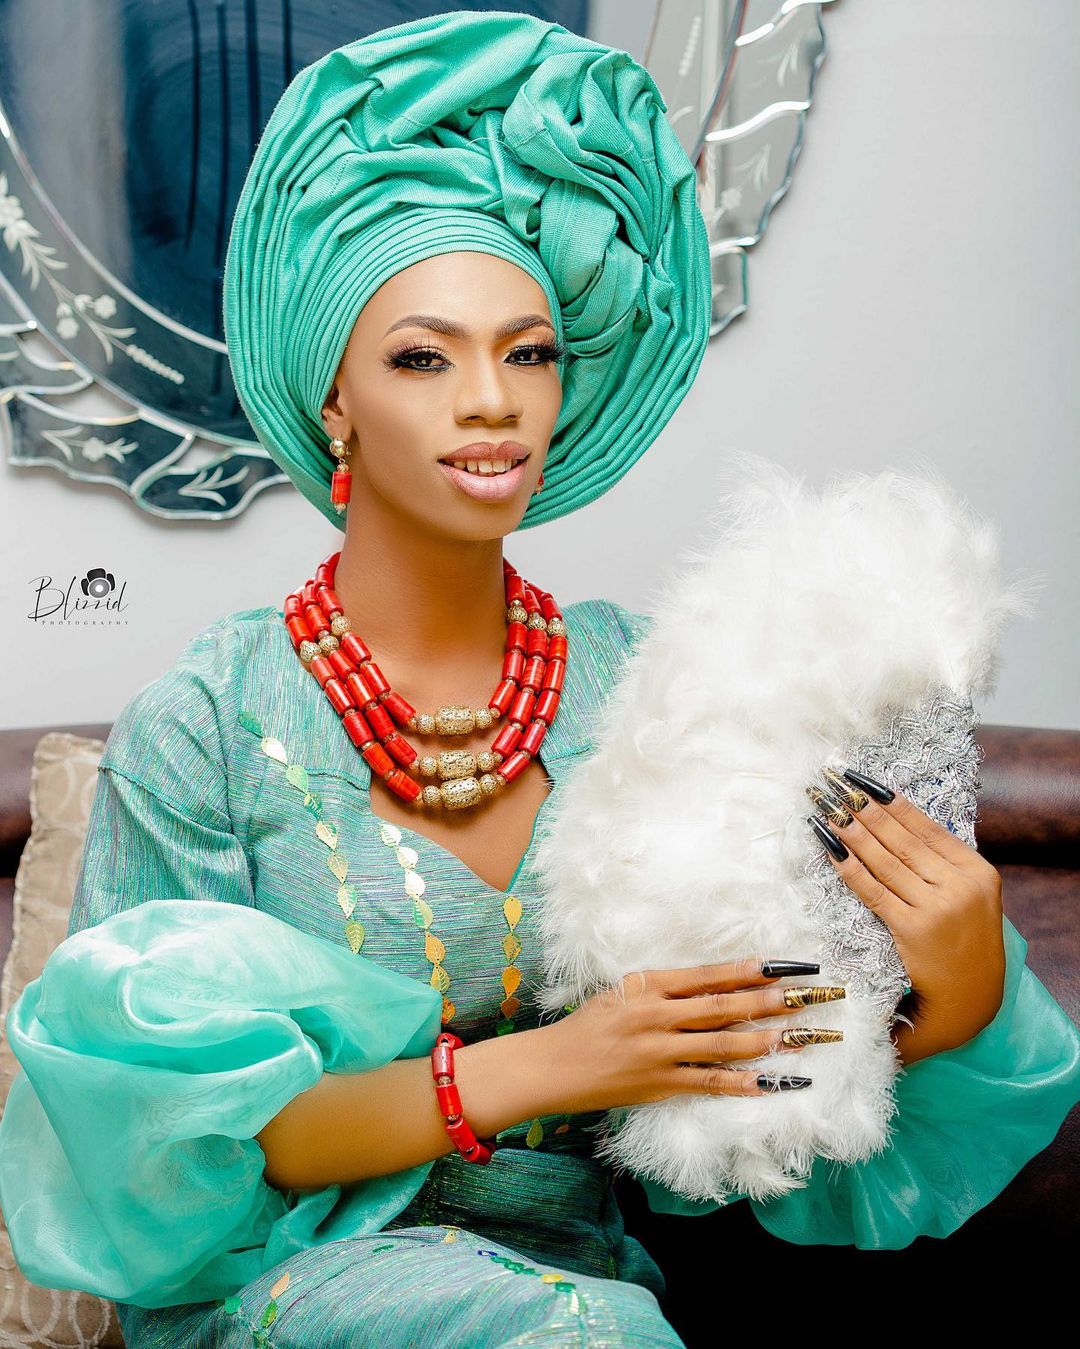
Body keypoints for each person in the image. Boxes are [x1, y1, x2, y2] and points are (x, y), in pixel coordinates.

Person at [1, 12, 1077, 1348]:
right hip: (286, 1295)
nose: (492, 400)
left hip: (586, 1297)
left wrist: (951, 988)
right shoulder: (210, 729)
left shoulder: (653, 683)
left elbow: (762, 1074)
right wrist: (559, 1061)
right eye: (424, 356)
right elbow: (170, 1144)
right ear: (334, 398)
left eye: (529, 351)